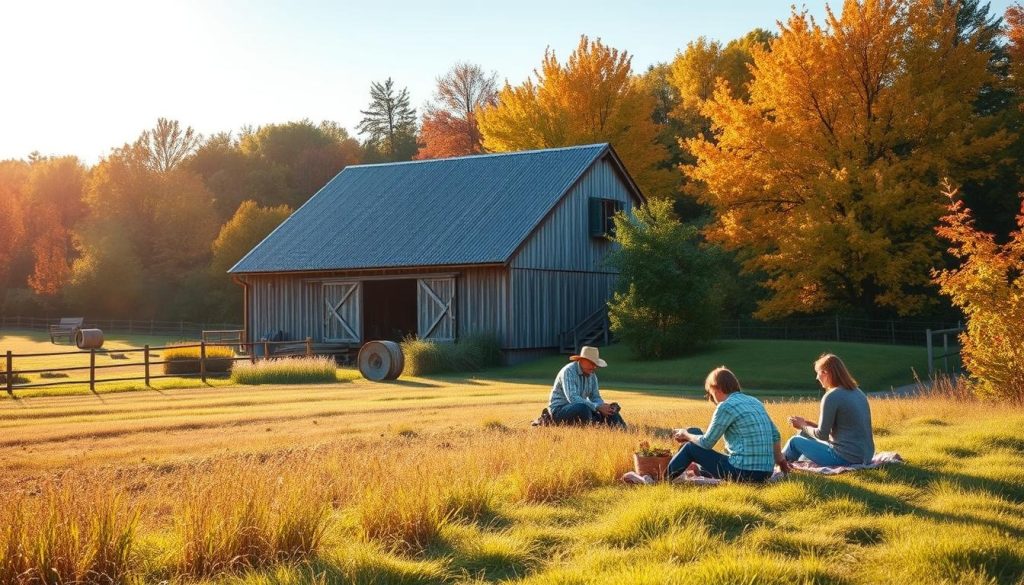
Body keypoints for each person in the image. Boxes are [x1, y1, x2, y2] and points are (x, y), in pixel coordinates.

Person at [667, 366, 789, 482]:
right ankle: (692, 470)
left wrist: (685, 434)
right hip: (765, 473)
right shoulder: (754, 401)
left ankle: (662, 479)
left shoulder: (725, 406)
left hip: (743, 472)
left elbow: (706, 442)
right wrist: (781, 463)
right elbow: (775, 434)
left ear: (717, 389)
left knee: (690, 448)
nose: (711, 398)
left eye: (710, 393)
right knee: (695, 432)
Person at [783, 353, 875, 466]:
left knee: (794, 442)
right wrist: (808, 424)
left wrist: (802, 425)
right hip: (865, 455)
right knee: (804, 434)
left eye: (818, 373)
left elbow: (822, 435)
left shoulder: (831, 396)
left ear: (826, 373)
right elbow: (840, 431)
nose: (817, 377)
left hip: (846, 458)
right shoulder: (858, 392)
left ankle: (776, 466)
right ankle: (792, 462)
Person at [546, 346, 625, 428]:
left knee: (610, 411)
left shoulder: (592, 375)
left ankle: (621, 427)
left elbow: (595, 397)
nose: (594, 367)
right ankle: (596, 424)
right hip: (559, 411)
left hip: (582, 408)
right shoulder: (568, 371)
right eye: (592, 363)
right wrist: (597, 407)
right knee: (583, 408)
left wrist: (604, 407)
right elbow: (573, 398)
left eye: (595, 364)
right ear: (581, 360)